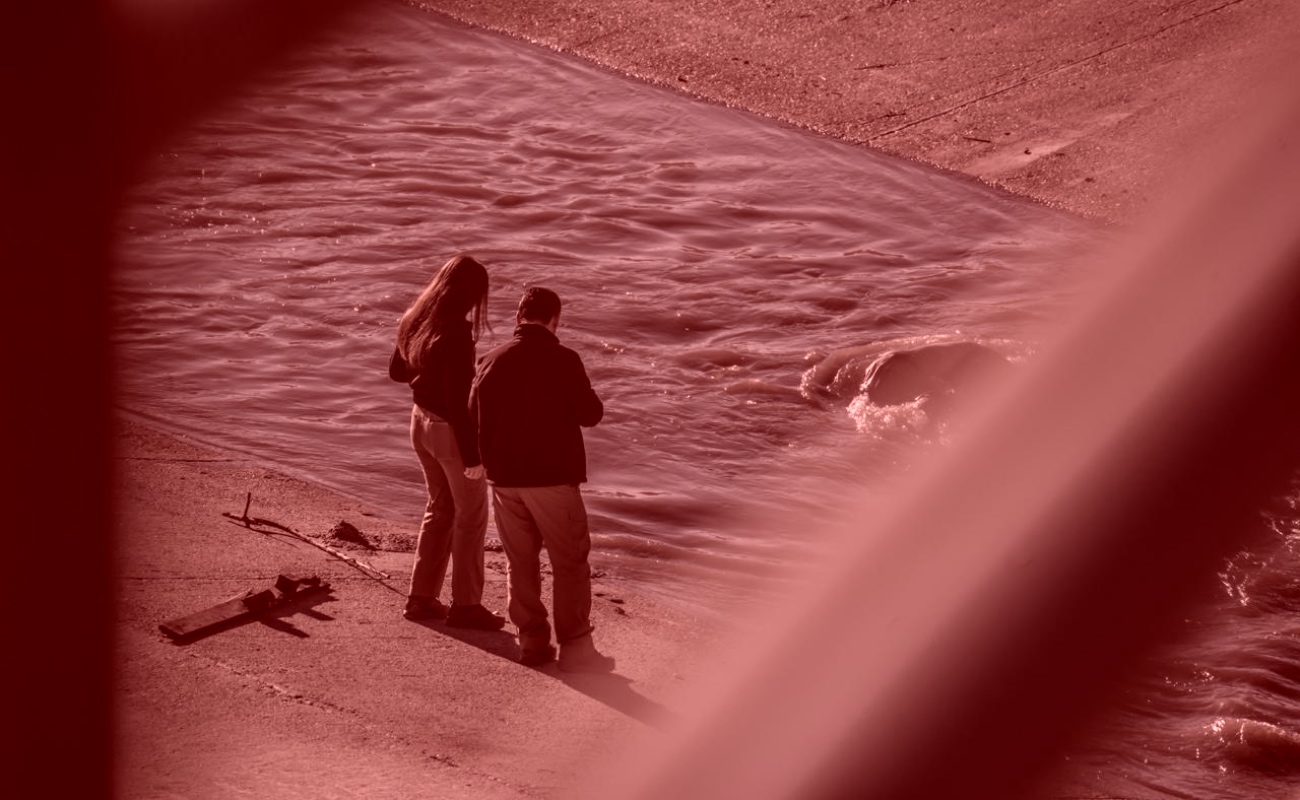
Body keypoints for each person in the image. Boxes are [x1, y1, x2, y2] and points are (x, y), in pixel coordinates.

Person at [469, 286, 613, 671]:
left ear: (518, 317)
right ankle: (577, 648)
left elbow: (472, 417)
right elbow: (590, 414)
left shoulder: (490, 359)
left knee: (521, 562)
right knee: (569, 562)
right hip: (551, 478)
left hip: (504, 480)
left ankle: (532, 641)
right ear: (555, 319)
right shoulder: (563, 358)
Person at [389, 254, 505, 630]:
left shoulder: (415, 319)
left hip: (418, 423)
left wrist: (426, 369)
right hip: (447, 432)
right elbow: (458, 402)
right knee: (471, 517)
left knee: (439, 510)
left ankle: (421, 598)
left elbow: (396, 372)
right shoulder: (456, 333)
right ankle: (467, 605)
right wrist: (474, 457)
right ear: (470, 295)